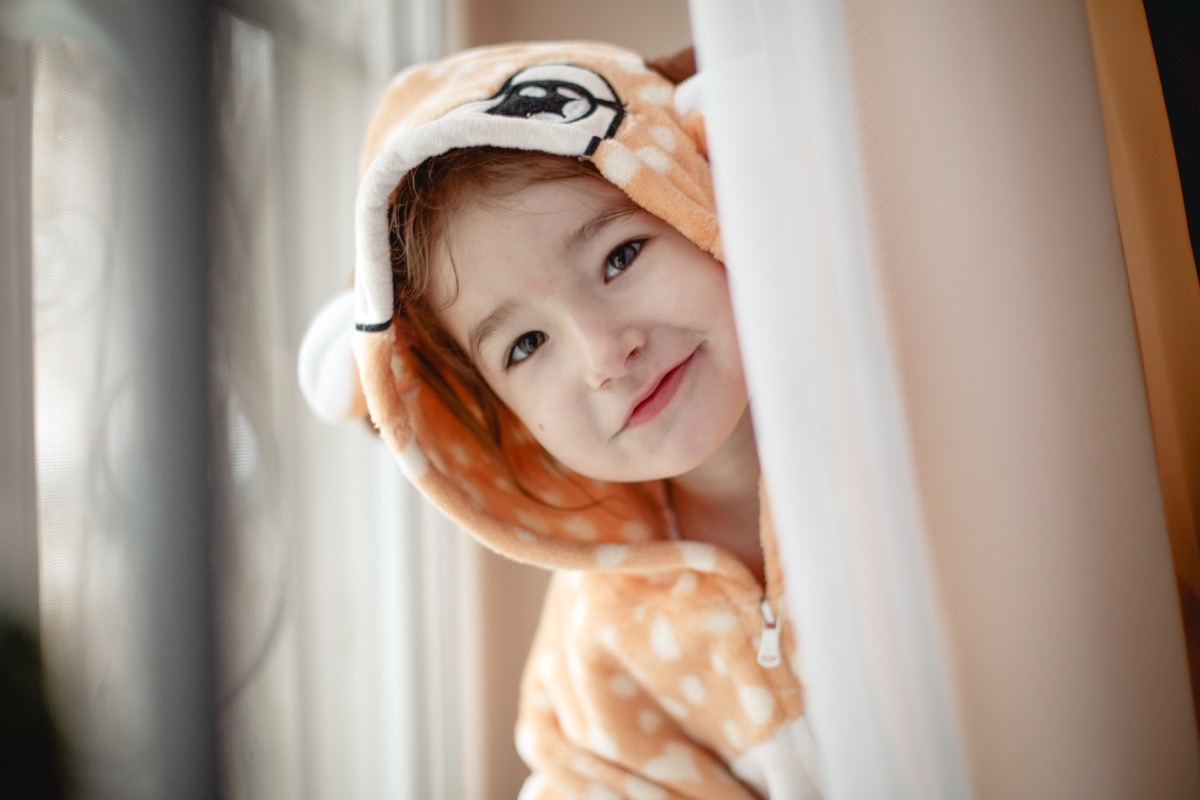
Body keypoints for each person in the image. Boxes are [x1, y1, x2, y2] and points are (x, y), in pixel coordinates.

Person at [299, 41, 822, 798]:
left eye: (621, 256)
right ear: (502, 414)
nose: (604, 353)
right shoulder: (598, 647)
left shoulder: (900, 425)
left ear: (701, 194)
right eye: (527, 344)